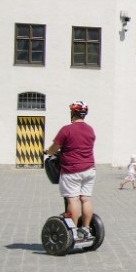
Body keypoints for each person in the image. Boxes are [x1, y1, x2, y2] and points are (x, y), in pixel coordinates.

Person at [45, 101, 96, 240]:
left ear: (72, 113)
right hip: (90, 169)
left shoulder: (67, 129)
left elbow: (54, 148)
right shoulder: (90, 129)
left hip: (72, 170)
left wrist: (48, 152)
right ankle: (85, 229)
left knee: (73, 200)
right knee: (85, 199)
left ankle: (73, 231)